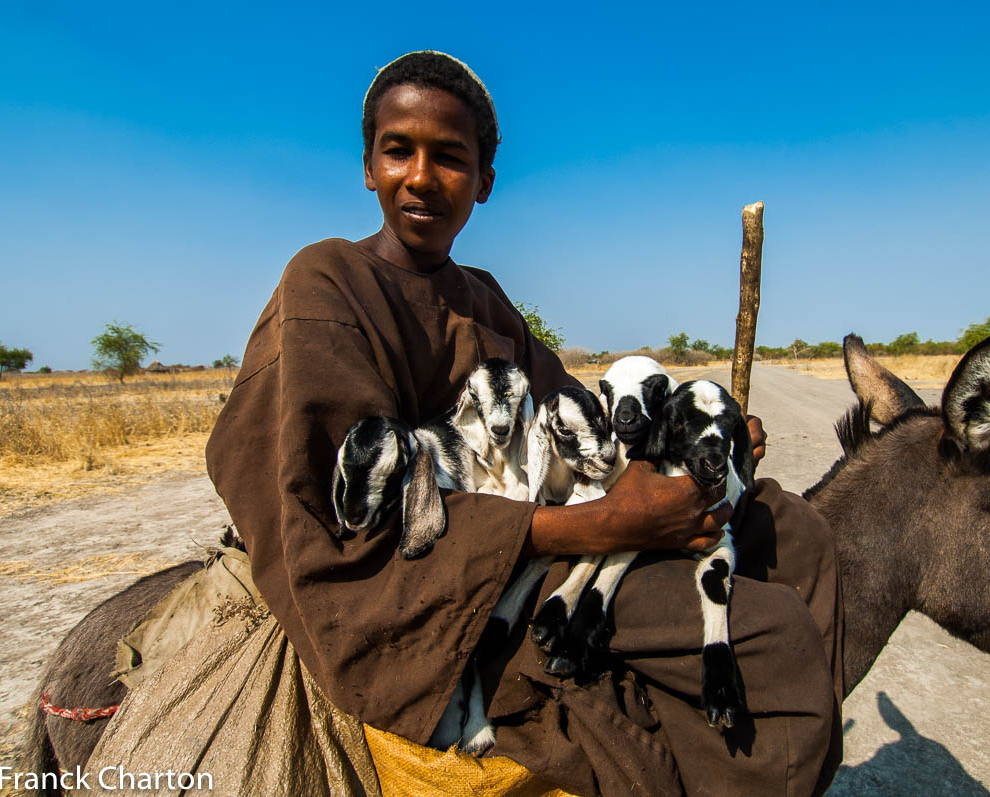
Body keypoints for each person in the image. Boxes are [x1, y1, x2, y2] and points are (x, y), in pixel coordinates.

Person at [206, 51, 844, 796]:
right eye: (398, 149)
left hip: (545, 529)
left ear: (484, 180)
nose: (419, 175)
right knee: (772, 638)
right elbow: (346, 517)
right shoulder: (328, 279)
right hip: (445, 576)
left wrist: (701, 428)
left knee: (797, 531)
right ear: (368, 166)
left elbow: (582, 416)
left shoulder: (483, 297)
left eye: (448, 157)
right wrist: (605, 527)